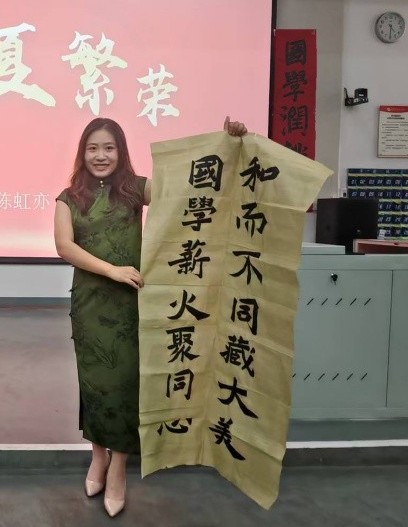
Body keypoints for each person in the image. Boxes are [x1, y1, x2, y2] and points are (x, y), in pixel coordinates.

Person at [53, 116, 247, 517]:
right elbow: (64, 247)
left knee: (127, 385)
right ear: (82, 153)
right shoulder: (68, 197)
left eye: (109, 148)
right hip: (90, 305)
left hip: (131, 306)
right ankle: (98, 457)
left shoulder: (136, 189)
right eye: (93, 148)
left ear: (121, 151)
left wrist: (226, 145)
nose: (101, 155)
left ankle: (119, 468)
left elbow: (191, 188)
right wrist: (112, 270)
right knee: (94, 384)